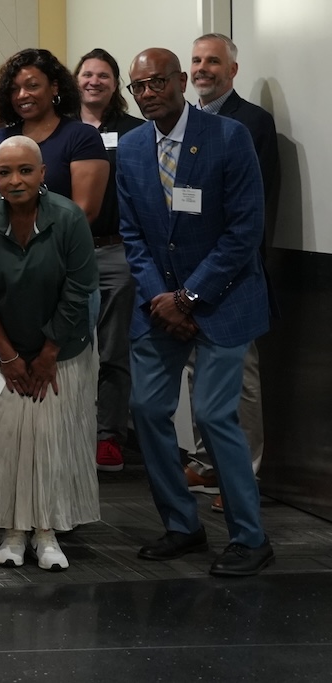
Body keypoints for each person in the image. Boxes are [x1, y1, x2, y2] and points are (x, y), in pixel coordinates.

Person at [119, 48, 272, 577]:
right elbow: (133, 234)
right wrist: (163, 297)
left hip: (226, 301)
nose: (146, 94)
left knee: (211, 414)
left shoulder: (229, 138)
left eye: (156, 82)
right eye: (137, 87)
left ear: (181, 81)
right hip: (159, 305)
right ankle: (182, 525)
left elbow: (244, 231)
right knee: (145, 409)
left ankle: (250, 538)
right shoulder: (134, 148)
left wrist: (192, 297)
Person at [0, 136, 100, 571]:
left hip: (61, 351)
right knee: (4, 438)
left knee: (51, 437)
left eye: (24, 171)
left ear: (43, 174)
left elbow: (79, 290)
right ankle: (12, 532)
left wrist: (48, 353)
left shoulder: (70, 218)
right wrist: (8, 355)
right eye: (4, 172)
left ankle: (48, 532)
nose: (14, 180)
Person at [185, 33, 279, 511]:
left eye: (213, 62)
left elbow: (253, 212)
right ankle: (207, 466)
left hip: (232, 276)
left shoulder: (251, 124)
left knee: (239, 383)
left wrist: (227, 272)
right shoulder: (186, 123)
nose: (203, 69)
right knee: (197, 376)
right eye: (197, 60)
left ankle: (243, 477)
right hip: (188, 276)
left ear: (233, 71)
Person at [72, 48, 146, 473]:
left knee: (114, 350)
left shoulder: (136, 131)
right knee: (69, 347)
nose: (94, 81)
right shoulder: (62, 130)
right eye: (87, 74)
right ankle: (73, 429)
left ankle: (108, 437)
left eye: (103, 75)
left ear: (115, 84)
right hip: (69, 253)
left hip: (117, 251)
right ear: (75, 80)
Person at [0, 49, 109, 226]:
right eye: (14, 89)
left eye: (32, 86)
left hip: (59, 248)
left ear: (54, 87)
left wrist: (29, 245)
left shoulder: (81, 137)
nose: (22, 95)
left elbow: (84, 212)